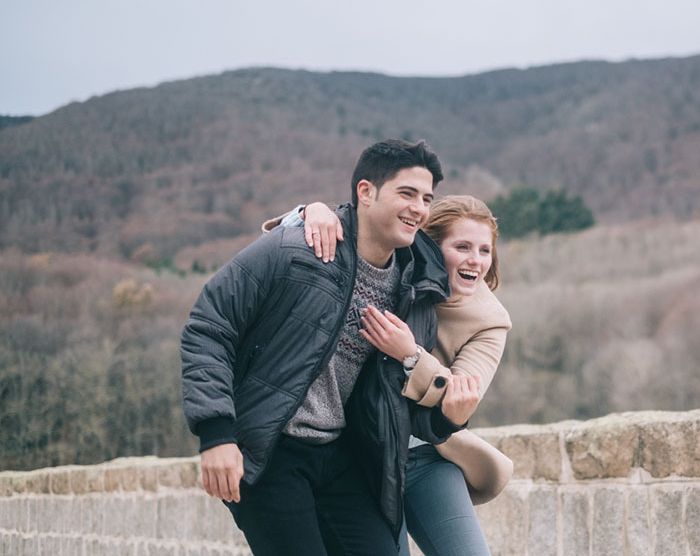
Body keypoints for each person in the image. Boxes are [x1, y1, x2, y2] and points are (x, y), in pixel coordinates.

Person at [180, 139, 479, 556]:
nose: (419, 208)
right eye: (406, 193)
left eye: (427, 198)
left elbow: (394, 406)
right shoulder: (297, 247)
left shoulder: (416, 288)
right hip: (270, 451)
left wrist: (448, 419)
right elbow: (208, 326)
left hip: (342, 457)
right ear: (365, 192)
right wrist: (216, 434)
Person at [267, 194, 512, 556]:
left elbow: (458, 396)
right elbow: (293, 239)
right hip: (363, 455)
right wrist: (309, 211)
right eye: (462, 247)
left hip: (427, 455)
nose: (474, 260)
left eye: (484, 250)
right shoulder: (390, 266)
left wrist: (410, 353)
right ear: (429, 244)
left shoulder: (491, 320)